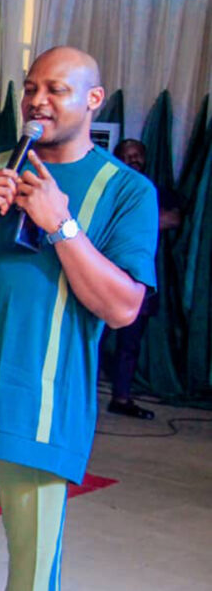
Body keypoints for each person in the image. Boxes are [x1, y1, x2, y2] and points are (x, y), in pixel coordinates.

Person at [0, 47, 158, 590]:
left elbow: (123, 308)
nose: (37, 101)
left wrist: (61, 224)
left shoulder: (127, 190)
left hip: (45, 407)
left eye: (56, 90)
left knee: (33, 570)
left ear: (94, 100)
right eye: (30, 88)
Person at [104, 138, 181, 419]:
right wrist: (147, 219)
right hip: (104, 276)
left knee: (130, 344)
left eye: (137, 155)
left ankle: (121, 398)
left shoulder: (155, 189)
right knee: (91, 339)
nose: (133, 159)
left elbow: (173, 219)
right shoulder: (109, 186)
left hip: (139, 280)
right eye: (127, 155)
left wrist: (129, 219)